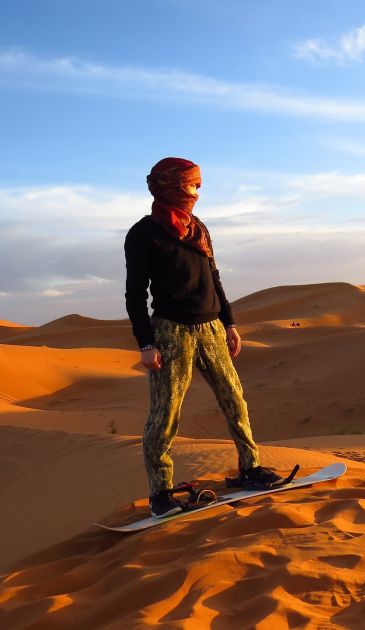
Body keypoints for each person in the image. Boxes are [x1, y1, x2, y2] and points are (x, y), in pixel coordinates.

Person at [124, 157, 281, 518]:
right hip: (170, 331)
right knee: (165, 415)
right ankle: (161, 493)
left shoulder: (198, 228)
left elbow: (214, 276)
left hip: (211, 328)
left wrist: (230, 323)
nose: (198, 191)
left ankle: (249, 468)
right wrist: (146, 343)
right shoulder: (143, 233)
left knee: (234, 400)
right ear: (174, 186)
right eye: (193, 184)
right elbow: (135, 294)